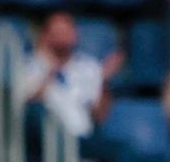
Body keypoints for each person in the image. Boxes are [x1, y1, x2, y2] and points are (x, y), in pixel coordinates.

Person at [18, 12, 121, 142]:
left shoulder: (89, 67)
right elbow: (30, 106)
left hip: (82, 137)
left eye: (67, 31)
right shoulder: (30, 66)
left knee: (123, 150)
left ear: (75, 35)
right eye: (58, 32)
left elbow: (99, 116)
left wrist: (103, 80)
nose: (63, 37)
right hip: (47, 140)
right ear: (45, 36)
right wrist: (50, 70)